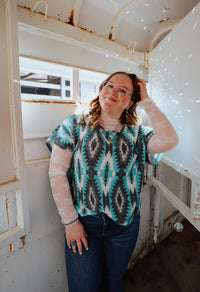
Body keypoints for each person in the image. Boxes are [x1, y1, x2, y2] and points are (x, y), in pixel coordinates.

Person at [46, 71, 178, 292]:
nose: (113, 92)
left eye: (123, 90)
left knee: (113, 283)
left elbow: (169, 139)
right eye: (109, 85)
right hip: (84, 225)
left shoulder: (137, 134)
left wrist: (146, 100)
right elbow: (57, 172)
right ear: (101, 89)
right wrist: (70, 223)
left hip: (125, 226)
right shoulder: (74, 124)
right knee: (83, 287)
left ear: (130, 102)